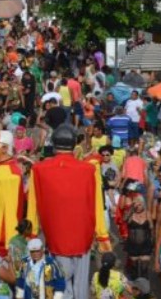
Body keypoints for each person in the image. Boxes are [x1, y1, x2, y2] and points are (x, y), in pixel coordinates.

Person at [26, 124, 110, 299]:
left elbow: (32, 207)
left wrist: (32, 234)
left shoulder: (38, 170)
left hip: (56, 237)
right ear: (74, 145)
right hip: (83, 236)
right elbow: (97, 204)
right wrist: (102, 236)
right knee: (81, 288)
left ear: (54, 144)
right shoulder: (89, 170)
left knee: (61, 287)